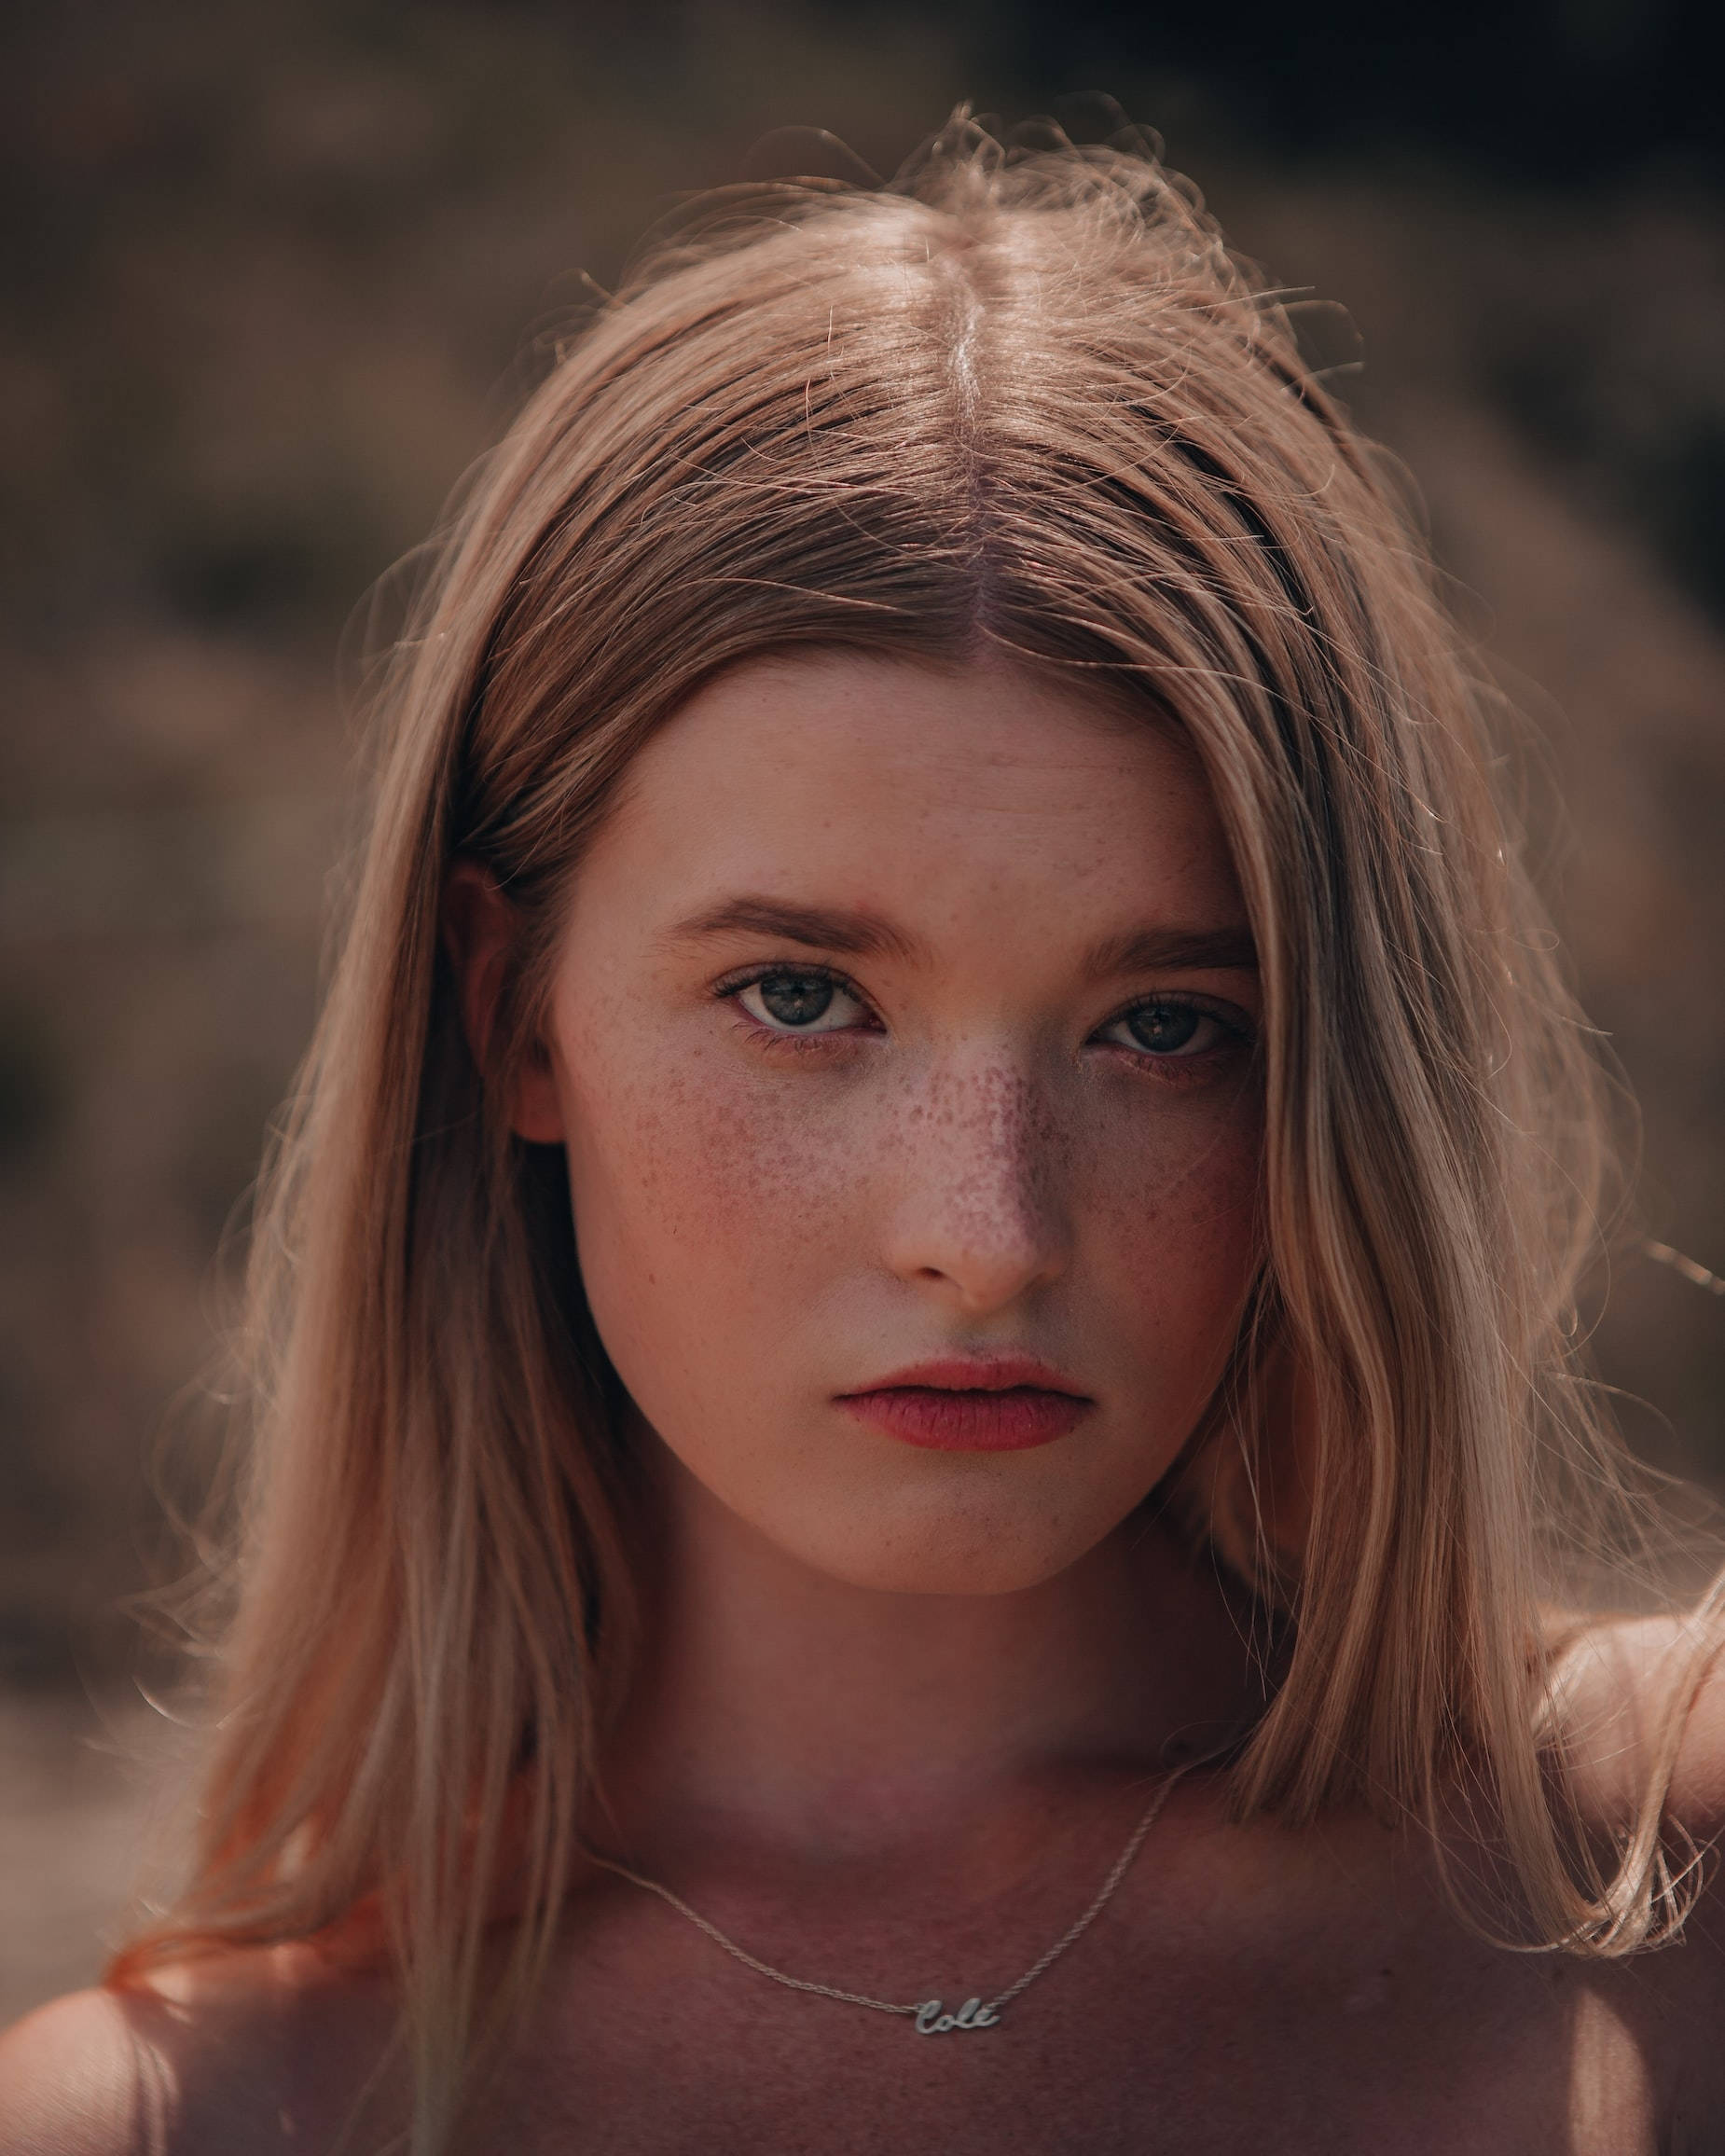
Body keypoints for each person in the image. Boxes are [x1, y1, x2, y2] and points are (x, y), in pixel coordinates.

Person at [2, 114, 1722, 2155]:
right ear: (503, 1010)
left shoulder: (1659, 1878)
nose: (985, 1231)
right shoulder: (201, 2119)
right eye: (801, 998)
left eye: (1167, 1023)